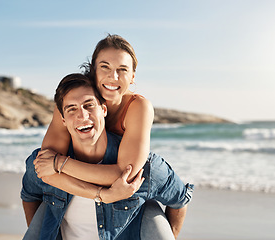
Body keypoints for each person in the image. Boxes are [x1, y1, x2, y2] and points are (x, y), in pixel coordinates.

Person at [35, 34, 190, 238]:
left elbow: (124, 175)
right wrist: (102, 195)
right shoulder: (71, 101)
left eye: (122, 70)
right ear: (93, 70)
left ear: (133, 76)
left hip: (132, 190)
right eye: (105, 67)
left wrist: (60, 163)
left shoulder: (138, 107)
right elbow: (44, 168)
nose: (113, 77)